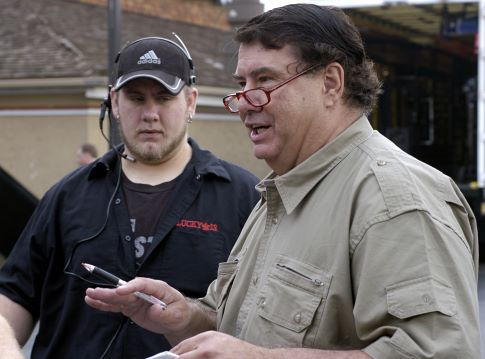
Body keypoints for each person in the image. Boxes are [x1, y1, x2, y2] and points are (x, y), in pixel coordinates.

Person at [85, 5, 481, 358]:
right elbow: (237, 331)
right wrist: (184, 317)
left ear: (330, 83)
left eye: (264, 82)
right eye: (242, 85)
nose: (244, 102)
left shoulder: (393, 198)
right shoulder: (281, 191)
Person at [0, 36, 260, 358]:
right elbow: (13, 297)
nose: (150, 113)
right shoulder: (67, 196)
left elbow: (263, 319)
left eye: (164, 98)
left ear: (191, 102)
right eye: (136, 98)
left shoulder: (245, 199)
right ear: (115, 103)